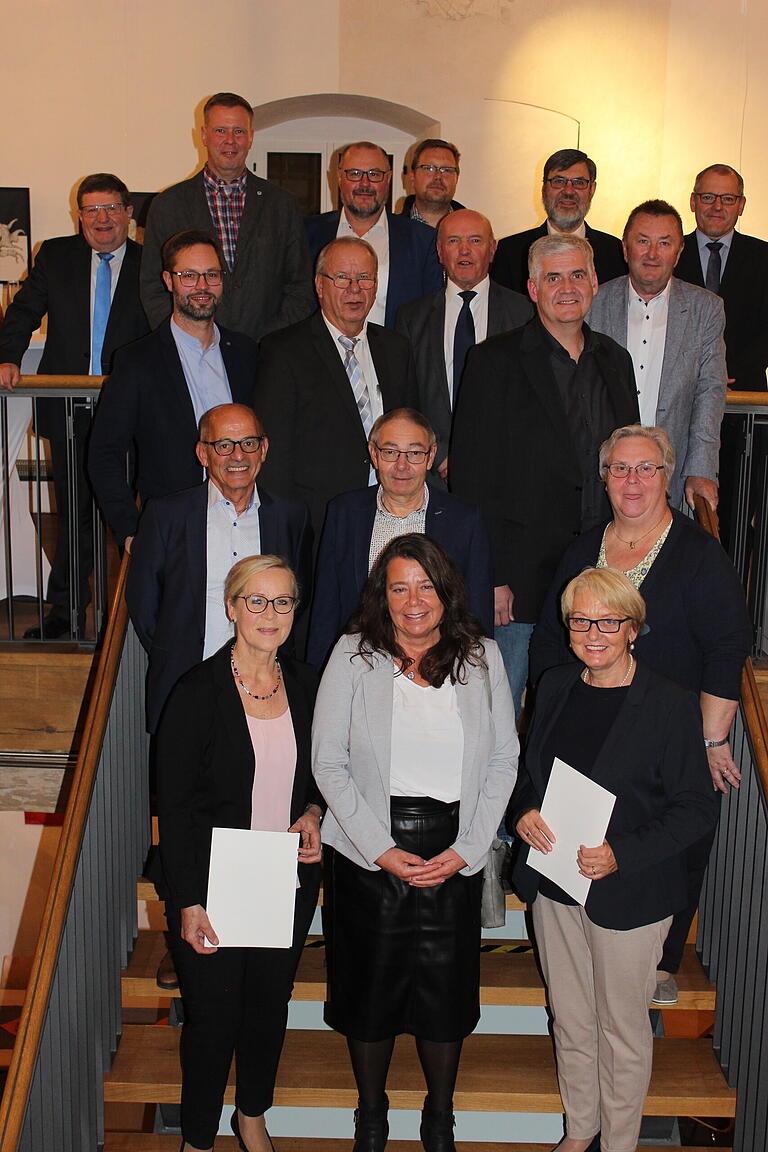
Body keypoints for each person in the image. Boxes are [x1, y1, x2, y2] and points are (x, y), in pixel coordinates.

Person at [529, 425, 752, 1003]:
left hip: (668, 735)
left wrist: (711, 738)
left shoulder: (699, 553)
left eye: (647, 468)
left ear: (667, 476)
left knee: (662, 839)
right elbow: (553, 644)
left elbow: (727, 647)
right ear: (604, 478)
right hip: (589, 724)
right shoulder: (582, 549)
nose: (633, 480)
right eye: (620, 468)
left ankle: (656, 962)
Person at [312, 533, 518, 1152]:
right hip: (369, 848)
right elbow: (328, 764)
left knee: (444, 993)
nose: (413, 599)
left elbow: (505, 759)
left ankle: (439, 1118)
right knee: (369, 992)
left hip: (453, 848)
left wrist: (469, 850)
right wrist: (379, 848)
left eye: (424, 585)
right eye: (398, 587)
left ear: (445, 589)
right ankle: (370, 1118)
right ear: (383, 594)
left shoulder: (482, 656)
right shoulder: (353, 655)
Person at [510, 567, 719, 1152]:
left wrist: (620, 854)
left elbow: (697, 810)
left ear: (633, 628)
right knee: (571, 1022)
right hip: (555, 884)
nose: (593, 633)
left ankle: (620, 1144)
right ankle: (580, 1135)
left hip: (630, 893)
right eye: (581, 621)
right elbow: (530, 777)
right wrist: (524, 813)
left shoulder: (671, 703)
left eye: (608, 621)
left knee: (621, 1030)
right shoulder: (553, 684)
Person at [157, 555, 323, 1152]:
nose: (270, 614)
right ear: (231, 608)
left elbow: (322, 776)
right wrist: (187, 901)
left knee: (267, 1009)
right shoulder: (196, 692)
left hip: (284, 879)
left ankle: (252, 1116)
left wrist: (313, 813)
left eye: (282, 602)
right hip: (212, 884)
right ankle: (197, 1137)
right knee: (212, 1020)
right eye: (257, 601)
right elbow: (173, 810)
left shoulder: (307, 684)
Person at [450, 234, 638, 716]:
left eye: (578, 275)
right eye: (553, 277)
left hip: (602, 570)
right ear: (533, 289)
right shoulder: (492, 361)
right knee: (499, 713)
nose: (567, 287)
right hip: (520, 581)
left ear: (595, 282)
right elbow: (472, 479)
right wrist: (492, 577)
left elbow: (627, 465)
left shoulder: (615, 361)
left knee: (587, 713)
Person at [0, 172, 149, 638]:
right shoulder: (57, 255)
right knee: (73, 515)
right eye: (91, 210)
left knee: (127, 515)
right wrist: (7, 355)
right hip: (68, 410)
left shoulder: (151, 263)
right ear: (78, 216)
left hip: (130, 413)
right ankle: (66, 613)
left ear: (128, 213)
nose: (101, 219)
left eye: (110, 208)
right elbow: (24, 309)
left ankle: (132, 615)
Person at [127, 403, 312, 735]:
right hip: (185, 685)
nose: (237, 456)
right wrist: (178, 652)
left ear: (264, 449)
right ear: (203, 453)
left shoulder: (291, 516)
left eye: (248, 444)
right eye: (224, 445)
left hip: (267, 689)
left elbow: (300, 597)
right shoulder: (165, 516)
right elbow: (144, 605)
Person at [89, 229, 258, 551]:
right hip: (172, 528)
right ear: (169, 280)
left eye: (211, 275)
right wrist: (129, 530)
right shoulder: (136, 361)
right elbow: (104, 454)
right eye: (189, 276)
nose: (202, 287)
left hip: (246, 520)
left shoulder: (247, 353)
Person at [254, 237, 417, 541]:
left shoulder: (396, 348)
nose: (354, 288)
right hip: (318, 522)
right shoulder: (283, 350)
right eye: (342, 277)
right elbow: (275, 456)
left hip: (391, 514)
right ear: (319, 285)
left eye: (365, 277)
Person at [307, 408, 493, 668]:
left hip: (438, 667)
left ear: (430, 457)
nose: (402, 465)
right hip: (360, 664)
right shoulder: (345, 513)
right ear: (374, 454)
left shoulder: (463, 519)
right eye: (391, 452)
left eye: (415, 453)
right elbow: (326, 609)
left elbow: (477, 613)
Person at [587, 199, 727, 511]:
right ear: (625, 249)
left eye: (664, 243)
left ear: (678, 252)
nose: (652, 254)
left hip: (671, 477)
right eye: (643, 241)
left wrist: (702, 470)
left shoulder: (706, 309)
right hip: (604, 474)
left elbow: (710, 390)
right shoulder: (594, 304)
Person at [140, 91, 314, 341]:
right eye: (221, 131)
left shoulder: (282, 206)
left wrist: (270, 342)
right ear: (203, 135)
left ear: (251, 137)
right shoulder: (167, 206)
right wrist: (185, 339)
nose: (230, 141)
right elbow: (153, 287)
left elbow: (300, 289)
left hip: (265, 355)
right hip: (191, 353)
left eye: (239, 131)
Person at [395, 210, 532, 481]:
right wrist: (440, 453)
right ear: (439, 251)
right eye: (454, 241)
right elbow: (405, 395)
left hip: (504, 469)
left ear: (492, 249)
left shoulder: (524, 313)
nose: (465, 250)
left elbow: (527, 399)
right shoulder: (411, 318)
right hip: (431, 471)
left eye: (476, 241)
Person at [305, 141, 443, 327]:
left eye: (374, 174)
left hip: (397, 354)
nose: (364, 183)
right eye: (354, 174)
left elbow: (430, 318)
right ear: (338, 177)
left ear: (388, 179)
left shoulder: (424, 241)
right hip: (319, 354)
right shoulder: (306, 234)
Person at [676, 164, 768, 392]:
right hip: (679, 391)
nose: (717, 206)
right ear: (693, 201)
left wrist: (724, 373)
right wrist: (698, 374)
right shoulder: (669, 254)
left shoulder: (764, 258)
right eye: (708, 197)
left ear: (741, 205)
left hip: (745, 396)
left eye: (727, 199)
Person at [491, 148, 625, 295]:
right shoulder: (510, 252)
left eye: (579, 182)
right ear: (543, 188)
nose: (568, 191)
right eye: (558, 181)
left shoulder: (615, 253)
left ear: (592, 189)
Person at [400, 139, 464, 227]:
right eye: (429, 168)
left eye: (446, 170)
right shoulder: (389, 234)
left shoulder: (476, 234)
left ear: (457, 178)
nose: (438, 176)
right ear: (412, 176)